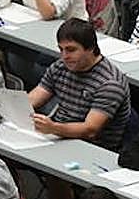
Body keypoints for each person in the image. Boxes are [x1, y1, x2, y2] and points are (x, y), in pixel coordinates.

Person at [26, 19, 131, 150]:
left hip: (91, 148)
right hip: (58, 136)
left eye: (71, 50)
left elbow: (90, 130)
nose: (64, 56)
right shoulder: (60, 66)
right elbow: (34, 98)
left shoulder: (110, 83)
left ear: (91, 48)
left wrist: (53, 128)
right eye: (61, 49)